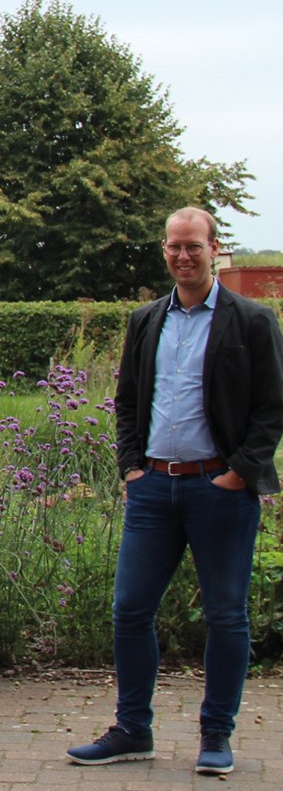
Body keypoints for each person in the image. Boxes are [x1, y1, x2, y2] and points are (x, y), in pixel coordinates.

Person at [67, 207, 283, 776]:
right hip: (153, 490)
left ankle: (217, 735)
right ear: (163, 250)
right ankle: (133, 730)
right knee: (129, 610)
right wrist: (130, 466)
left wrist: (239, 471)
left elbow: (271, 408)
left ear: (215, 248)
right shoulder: (146, 320)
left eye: (194, 246)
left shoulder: (252, 321)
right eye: (174, 247)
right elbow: (129, 401)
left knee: (226, 616)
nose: (183, 256)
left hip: (221, 490)